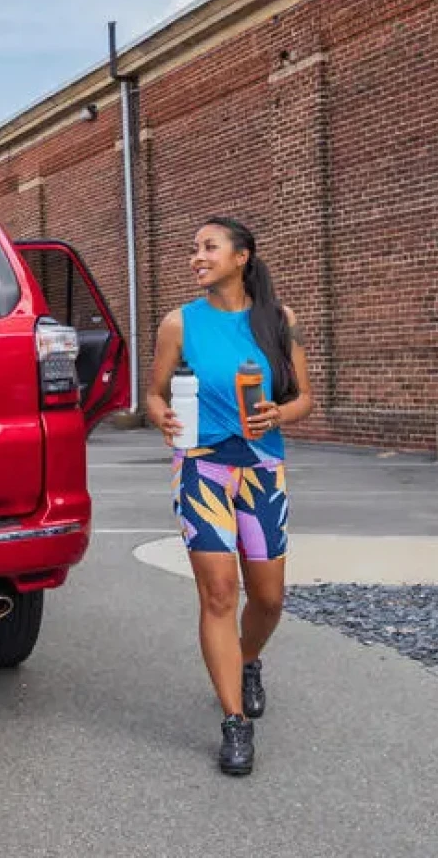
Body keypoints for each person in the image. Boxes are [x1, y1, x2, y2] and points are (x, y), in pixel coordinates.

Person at [143, 215, 315, 777]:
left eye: (208, 247)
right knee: (219, 593)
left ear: (241, 257)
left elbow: (306, 398)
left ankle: (247, 660)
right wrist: (161, 414)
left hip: (263, 469)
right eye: (193, 249)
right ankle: (234, 723)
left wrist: (278, 413)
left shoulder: (278, 320)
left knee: (267, 599)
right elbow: (154, 391)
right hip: (200, 466)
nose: (197, 256)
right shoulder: (179, 323)